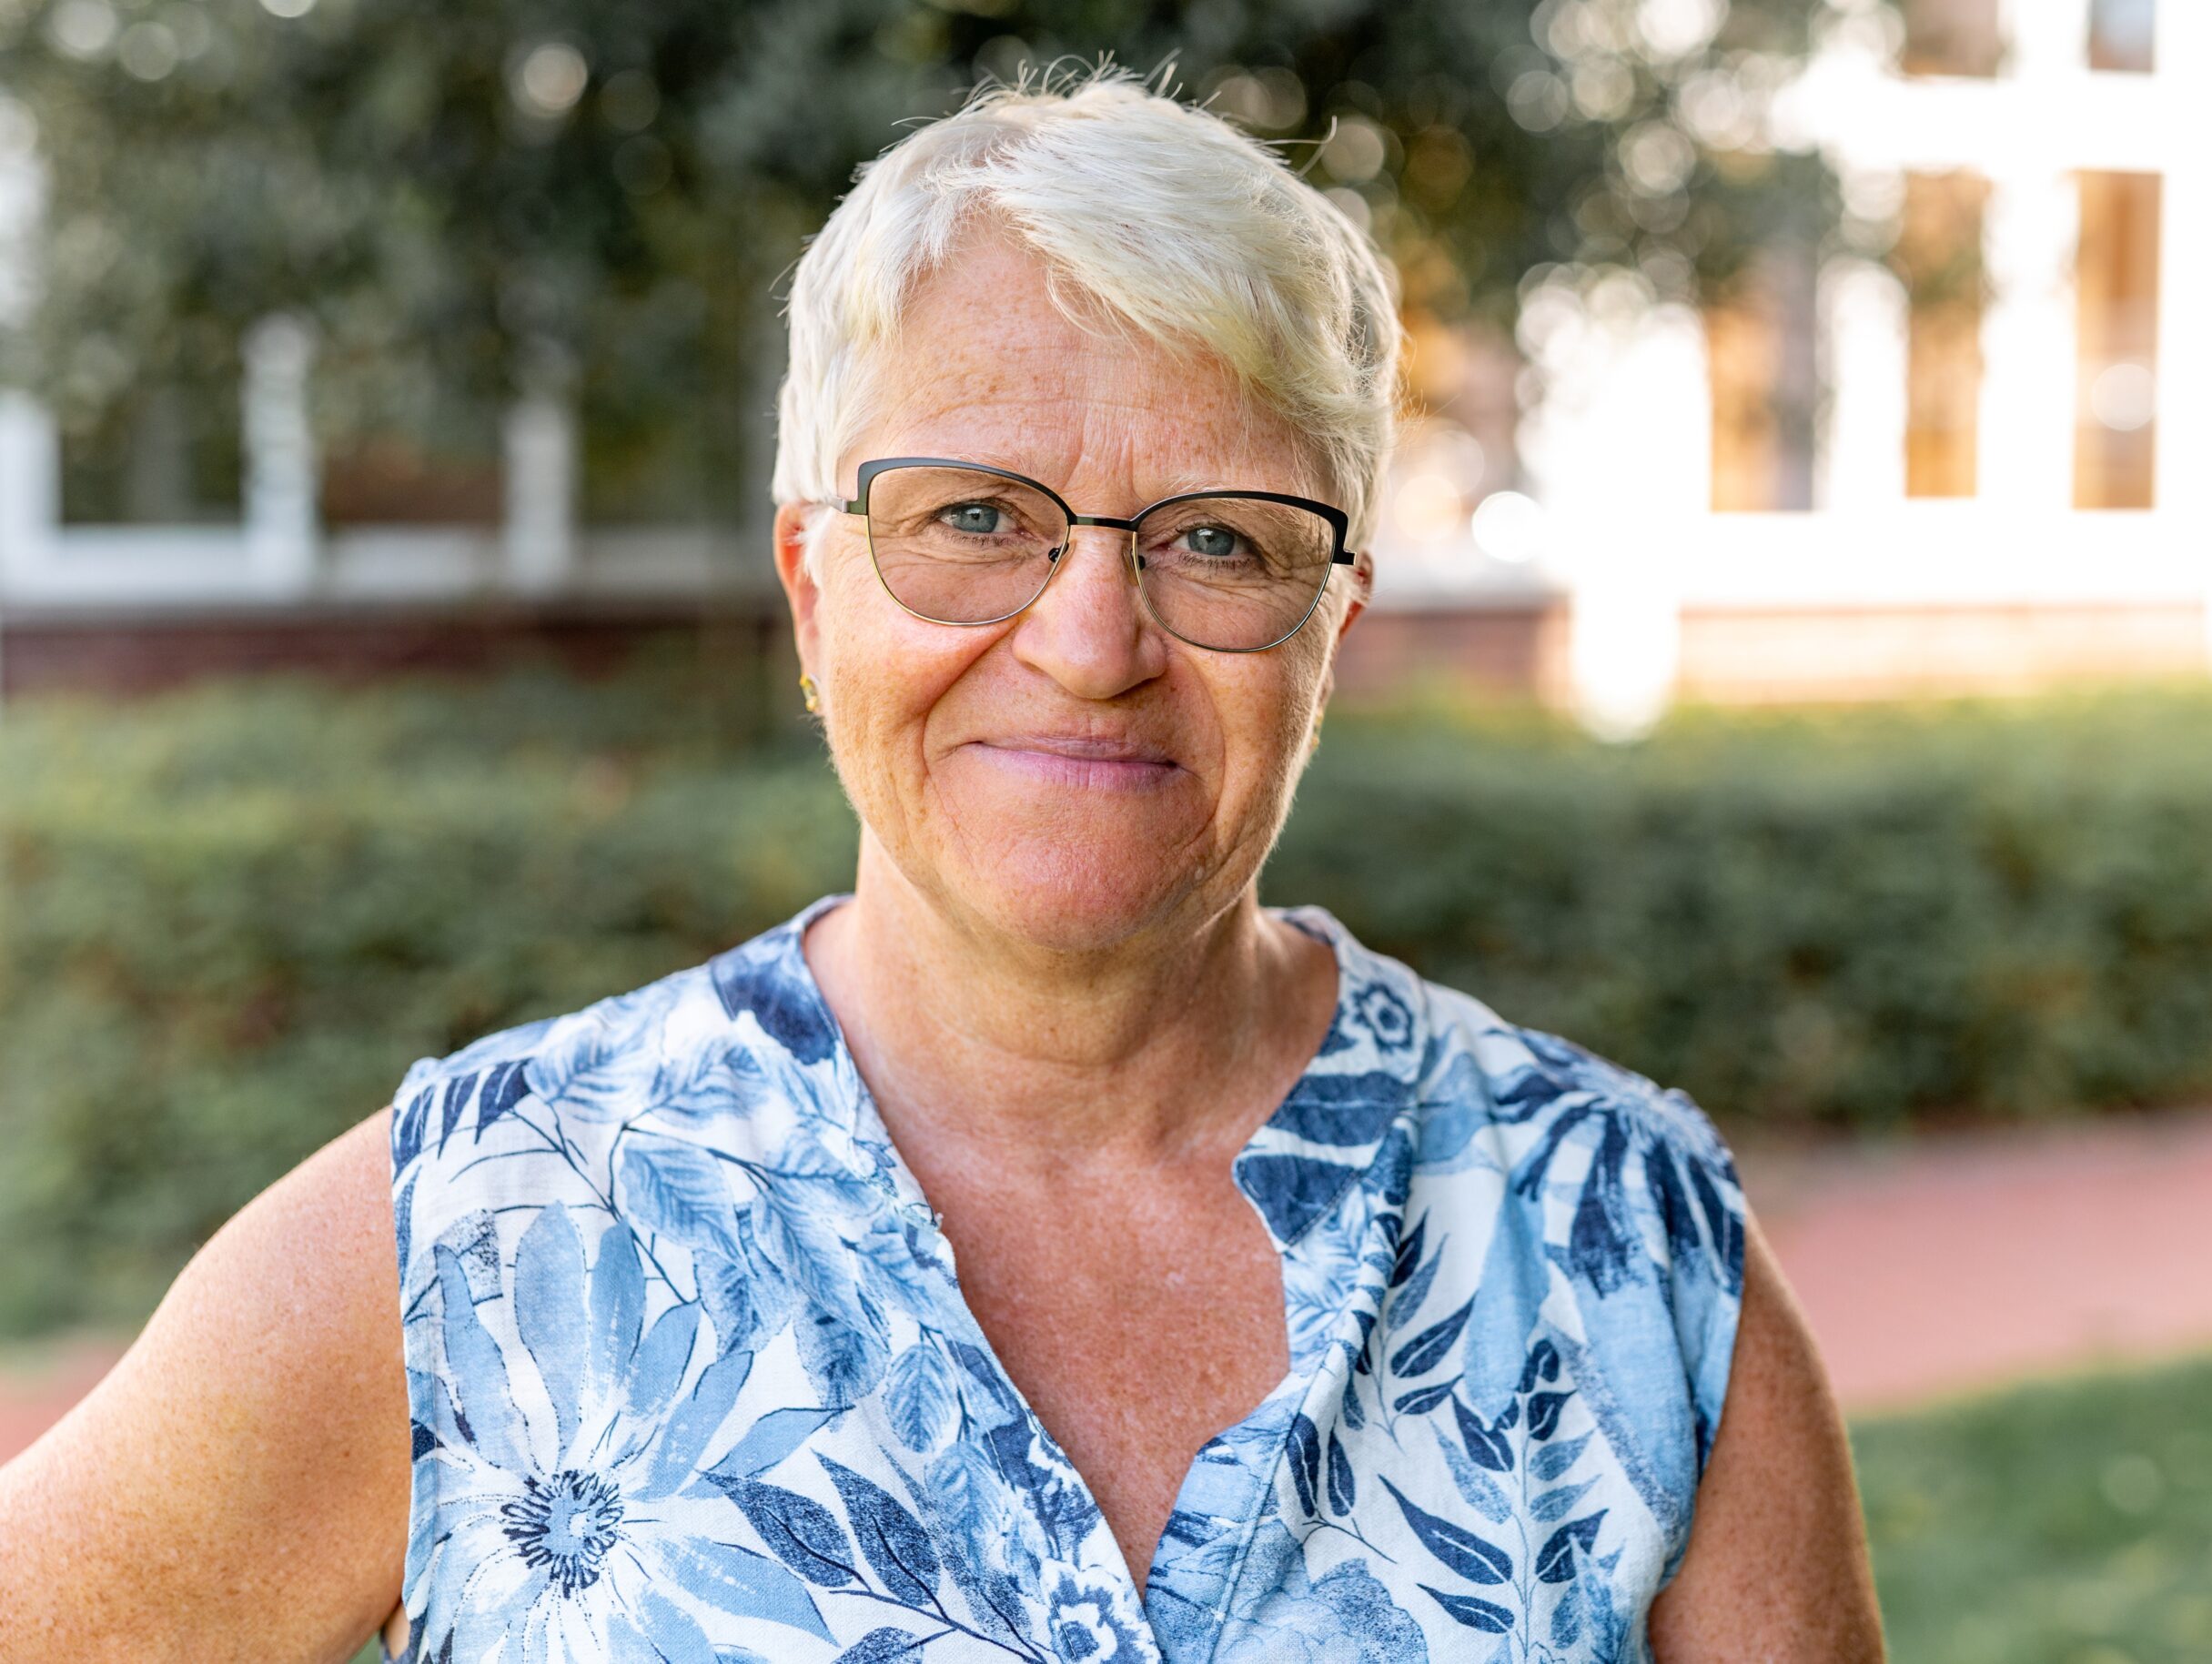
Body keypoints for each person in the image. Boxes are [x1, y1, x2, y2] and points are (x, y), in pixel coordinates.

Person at [0, 65, 1884, 1663]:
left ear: (1334, 621)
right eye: (974, 516)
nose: (1092, 640)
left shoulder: (1629, 1249)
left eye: (1217, 539)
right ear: (811, 593)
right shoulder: (473, 1245)